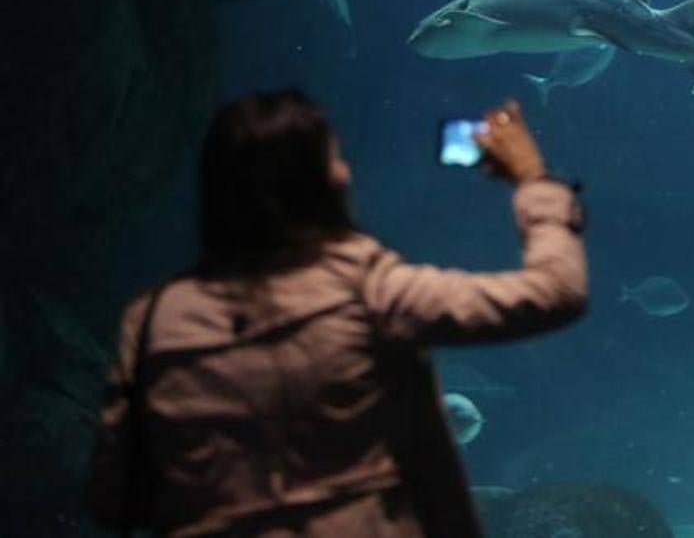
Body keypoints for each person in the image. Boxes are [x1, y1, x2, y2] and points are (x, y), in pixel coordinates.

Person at [85, 90, 588, 536]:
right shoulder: (374, 293)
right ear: (323, 185)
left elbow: (114, 494)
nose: (346, 171)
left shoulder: (152, 321)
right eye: (335, 160)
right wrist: (533, 181)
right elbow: (554, 292)